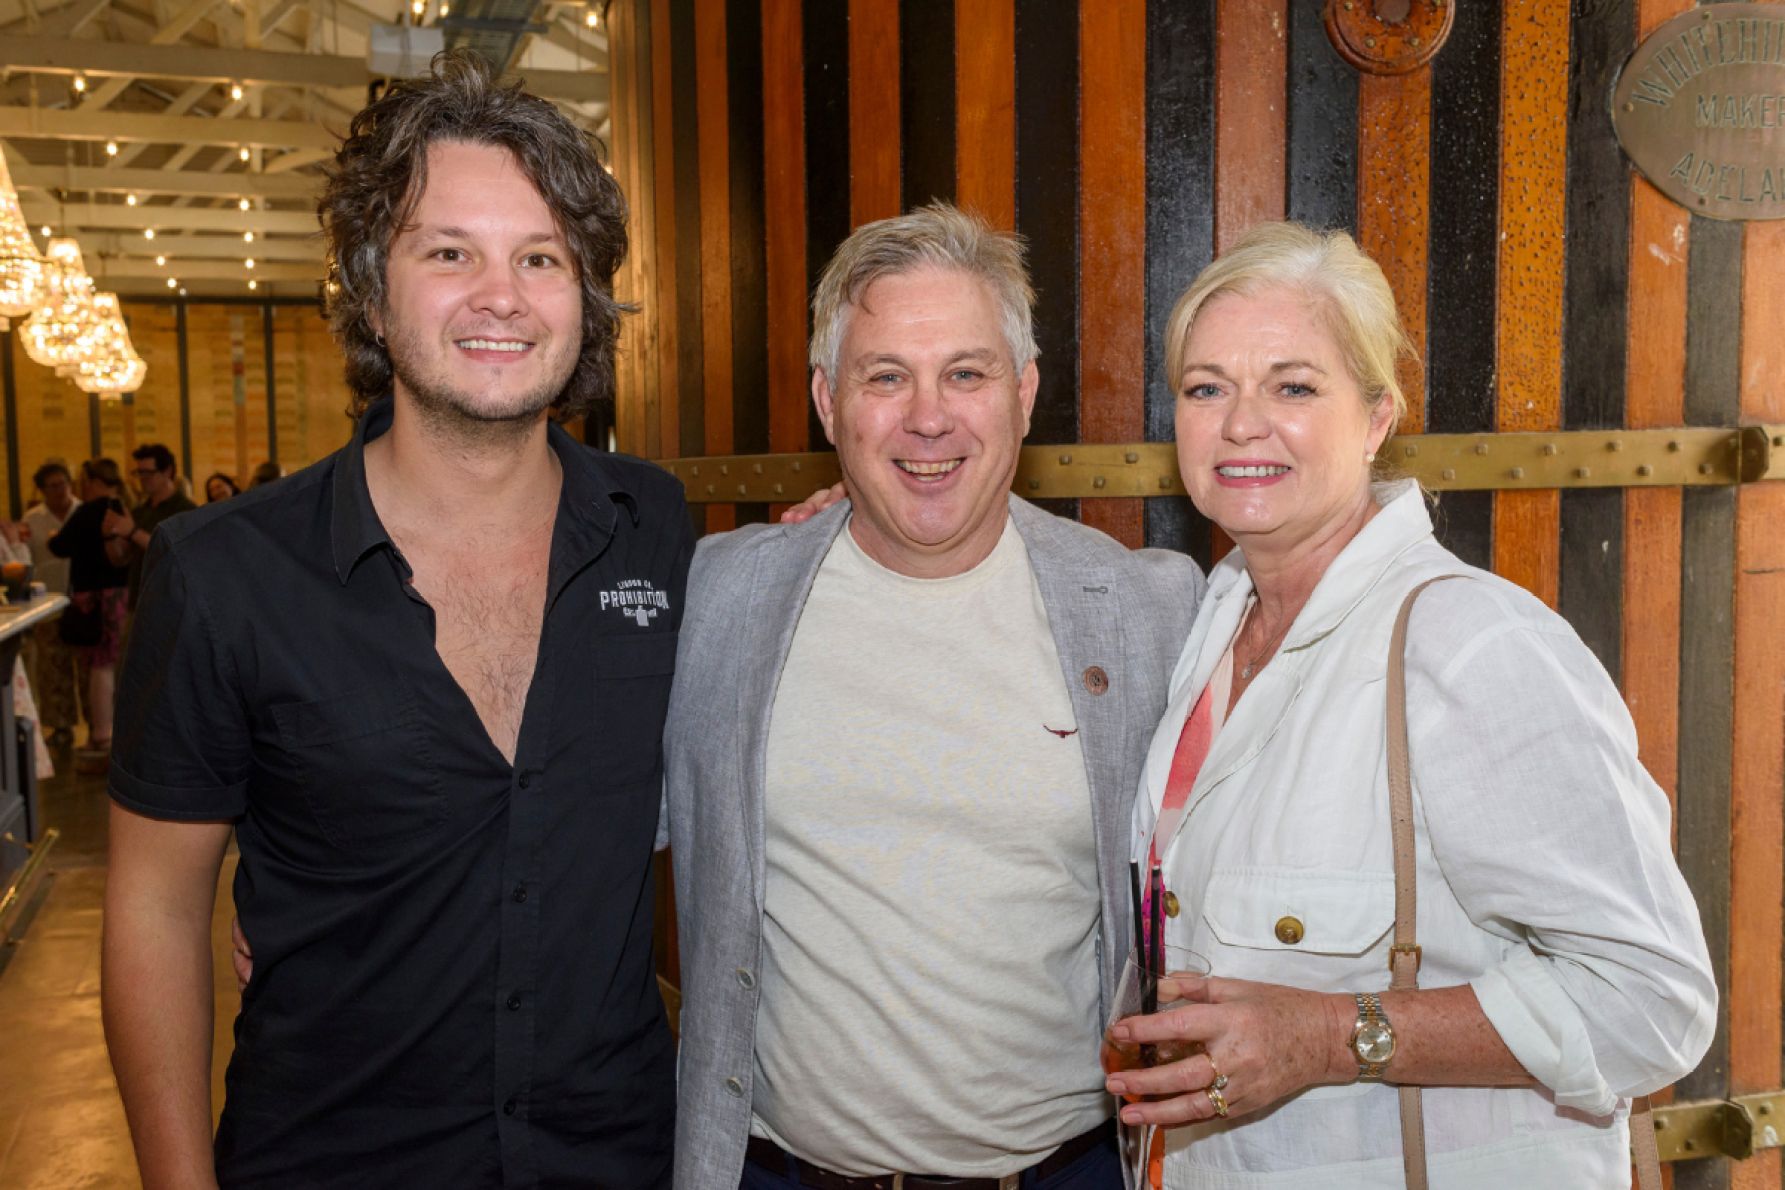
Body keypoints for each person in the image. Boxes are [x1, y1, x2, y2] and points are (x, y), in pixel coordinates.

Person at [102, 50, 688, 1188]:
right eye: (449, 252)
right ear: (372, 292)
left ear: (585, 300)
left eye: (541, 258)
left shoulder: (656, 528)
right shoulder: (223, 573)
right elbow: (156, 912)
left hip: (616, 1157)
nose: (500, 296)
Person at [1102, 222, 1715, 1187]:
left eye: (1293, 387)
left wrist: (1329, 1037)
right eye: (1205, 388)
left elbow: (1652, 1001)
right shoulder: (1213, 627)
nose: (1241, 424)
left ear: (1377, 417)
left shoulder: (1471, 646)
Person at [666, 203, 1206, 1190]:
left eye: (966, 373)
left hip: (1067, 1171)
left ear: (1023, 392)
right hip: (779, 1172)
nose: (928, 416)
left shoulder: (1147, 611)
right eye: (885, 377)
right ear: (828, 400)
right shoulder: (722, 595)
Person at [47, 458, 131, 770]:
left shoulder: (88, 511)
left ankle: (102, 732)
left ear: (94, 481)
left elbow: (60, 546)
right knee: (107, 664)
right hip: (119, 594)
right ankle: (104, 730)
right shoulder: (122, 507)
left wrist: (53, 536)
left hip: (93, 598)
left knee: (100, 666)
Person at [22, 461, 84, 745]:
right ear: (42, 490)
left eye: (64, 484)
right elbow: (26, 560)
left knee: (86, 667)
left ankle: (98, 724)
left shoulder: (82, 512)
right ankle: (60, 726)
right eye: (53, 486)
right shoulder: (33, 519)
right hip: (48, 602)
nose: (60, 490)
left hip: (81, 600)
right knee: (52, 668)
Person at [104, 442, 198, 612]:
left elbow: (174, 551)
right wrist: (109, 535)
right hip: (139, 602)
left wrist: (133, 532)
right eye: (139, 472)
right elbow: (120, 559)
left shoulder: (185, 510)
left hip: (171, 603)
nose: (142, 478)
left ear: (167, 471)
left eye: (148, 472)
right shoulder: (140, 511)